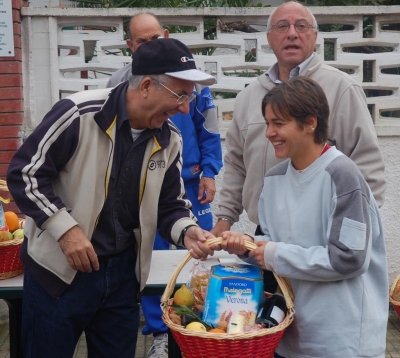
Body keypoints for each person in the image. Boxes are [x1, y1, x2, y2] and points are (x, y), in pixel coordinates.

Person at [6, 38, 216, 358]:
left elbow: (170, 204)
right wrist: (66, 229)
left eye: (191, 96)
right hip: (59, 274)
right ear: (146, 85)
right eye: (181, 95)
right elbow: (24, 173)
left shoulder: (169, 137)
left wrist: (188, 231)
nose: (186, 107)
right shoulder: (78, 113)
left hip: (122, 277)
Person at [220, 77, 388, 358]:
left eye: (279, 123)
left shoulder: (344, 177)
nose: (269, 133)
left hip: (342, 343)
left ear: (310, 123)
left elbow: (349, 259)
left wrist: (272, 252)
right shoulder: (274, 179)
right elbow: (274, 243)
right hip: (290, 337)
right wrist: (248, 246)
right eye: (267, 123)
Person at [211, 1, 386, 240]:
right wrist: (224, 220)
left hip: (321, 234)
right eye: (282, 26)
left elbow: (366, 164)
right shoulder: (249, 96)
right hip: (265, 234)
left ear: (314, 37)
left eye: (301, 26)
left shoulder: (341, 88)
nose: (292, 33)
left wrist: (355, 230)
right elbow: (236, 164)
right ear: (269, 38)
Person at [107, 13, 223, 358]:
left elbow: (210, 127)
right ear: (131, 45)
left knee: (195, 253)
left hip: (187, 184)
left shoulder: (191, 80)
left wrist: (210, 172)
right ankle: (160, 333)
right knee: (150, 256)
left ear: (166, 34)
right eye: (142, 41)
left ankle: (196, 327)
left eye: (155, 37)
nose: (150, 44)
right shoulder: (119, 83)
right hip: (142, 186)